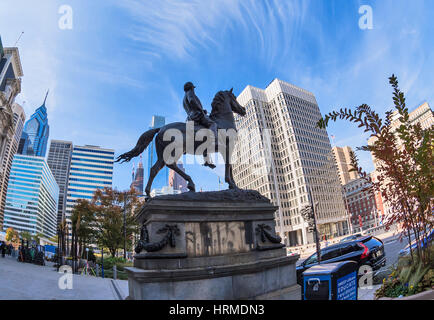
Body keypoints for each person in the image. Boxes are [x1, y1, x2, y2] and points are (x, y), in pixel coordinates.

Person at [183, 81, 217, 169]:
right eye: (193, 88)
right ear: (191, 88)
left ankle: (206, 160)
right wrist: (201, 110)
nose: (193, 90)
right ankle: (214, 139)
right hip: (196, 115)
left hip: (190, 117)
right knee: (213, 123)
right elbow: (192, 101)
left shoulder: (183, 98)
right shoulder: (190, 93)